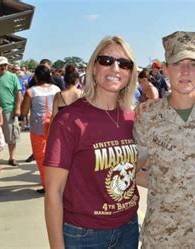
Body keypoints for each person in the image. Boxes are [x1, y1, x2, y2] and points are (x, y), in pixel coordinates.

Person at [133, 31, 195, 248]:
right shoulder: (148, 117)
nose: (186, 71)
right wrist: (168, 187)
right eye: (178, 63)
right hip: (163, 235)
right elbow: (130, 171)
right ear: (166, 69)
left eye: (194, 64)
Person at [43, 36, 139, 249]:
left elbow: (134, 172)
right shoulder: (69, 120)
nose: (115, 68)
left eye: (124, 64)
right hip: (84, 235)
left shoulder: (133, 119)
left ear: (130, 73)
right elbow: (53, 192)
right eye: (106, 61)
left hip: (129, 228)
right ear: (94, 68)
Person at [21, 65, 61, 193]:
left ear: (36, 76)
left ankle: (47, 185)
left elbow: (24, 110)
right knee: (55, 155)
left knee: (41, 157)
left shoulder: (31, 91)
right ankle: (58, 184)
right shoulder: (56, 89)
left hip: (38, 126)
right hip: (55, 125)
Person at [0, 56, 22, 166]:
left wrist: (18, 108)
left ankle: (12, 157)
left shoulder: (13, 77)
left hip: (9, 110)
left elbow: (19, 94)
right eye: (0, 65)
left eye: (5, 65)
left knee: (11, 135)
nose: (3, 67)